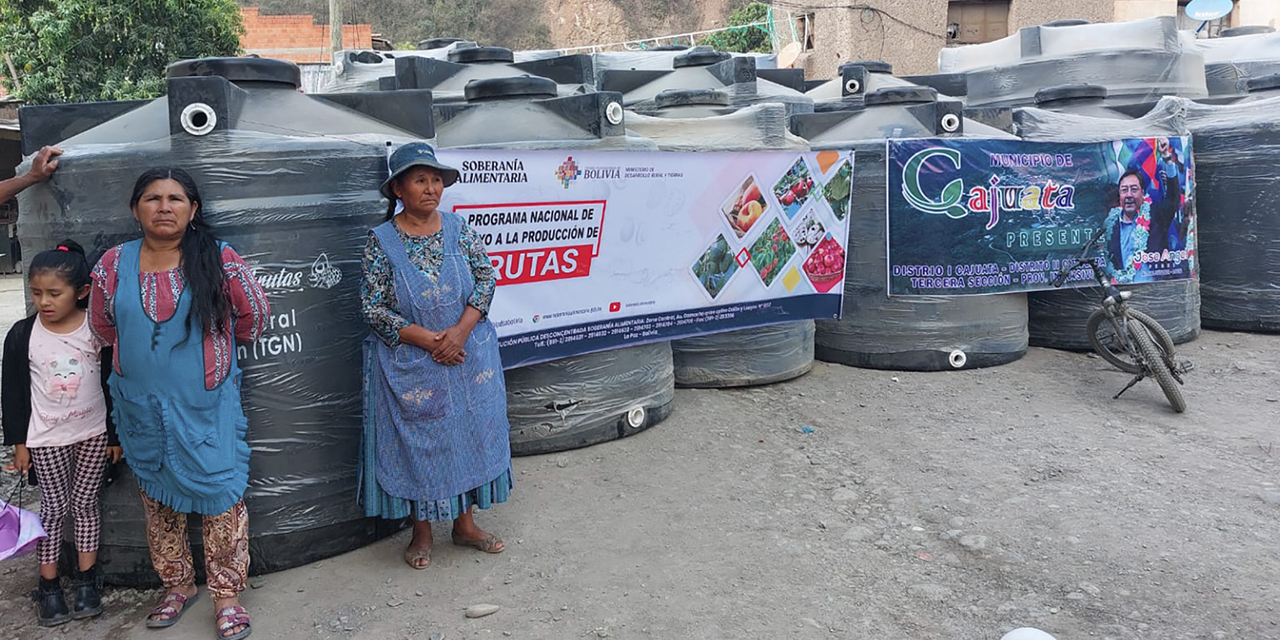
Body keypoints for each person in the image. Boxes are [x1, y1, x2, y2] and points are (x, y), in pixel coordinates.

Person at [89, 168, 269, 640]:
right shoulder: (113, 264)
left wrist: (218, 359)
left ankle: (227, 595)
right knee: (157, 499)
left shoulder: (219, 258)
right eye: (152, 198)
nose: (163, 207)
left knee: (221, 498)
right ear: (135, 209)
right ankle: (177, 585)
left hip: (205, 405)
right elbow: (104, 327)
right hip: (140, 405)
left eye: (175, 198)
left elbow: (253, 315)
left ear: (193, 210)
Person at [360, 142, 512, 570]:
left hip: (467, 357)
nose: (431, 189)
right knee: (422, 444)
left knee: (469, 434)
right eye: (420, 180)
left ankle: (465, 526)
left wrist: (459, 333)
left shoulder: (459, 229)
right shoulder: (380, 242)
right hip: (414, 360)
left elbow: (486, 279)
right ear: (398, 189)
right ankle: (422, 532)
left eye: (436, 180)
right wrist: (430, 341)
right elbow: (372, 308)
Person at [2, 240, 121, 627]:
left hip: (93, 433)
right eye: (37, 293)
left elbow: (111, 382)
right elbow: (13, 393)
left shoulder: (96, 330)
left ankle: (87, 581)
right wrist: (19, 443)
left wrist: (115, 435)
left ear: (82, 292)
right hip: (46, 439)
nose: (45, 302)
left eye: (55, 293)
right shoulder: (23, 335)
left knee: (86, 506)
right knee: (53, 510)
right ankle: (49, 585)